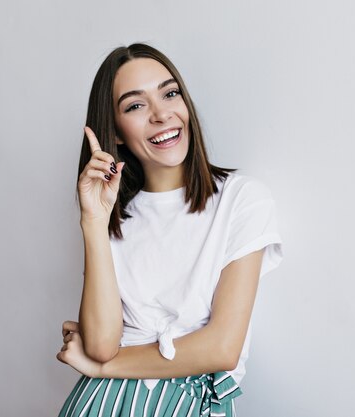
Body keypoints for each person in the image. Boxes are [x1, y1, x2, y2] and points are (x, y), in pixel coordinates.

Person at [55, 43, 283, 417]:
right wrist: (94, 222)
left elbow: (221, 348)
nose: (162, 114)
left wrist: (102, 368)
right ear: (114, 133)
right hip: (99, 404)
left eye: (170, 93)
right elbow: (98, 344)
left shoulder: (240, 199)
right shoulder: (114, 219)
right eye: (136, 105)